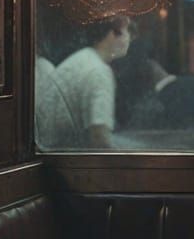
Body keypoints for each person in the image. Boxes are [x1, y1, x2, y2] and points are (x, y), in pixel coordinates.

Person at [47, 15, 133, 147]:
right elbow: (99, 138)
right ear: (112, 34)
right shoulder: (99, 72)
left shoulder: (83, 58)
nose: (129, 38)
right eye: (127, 31)